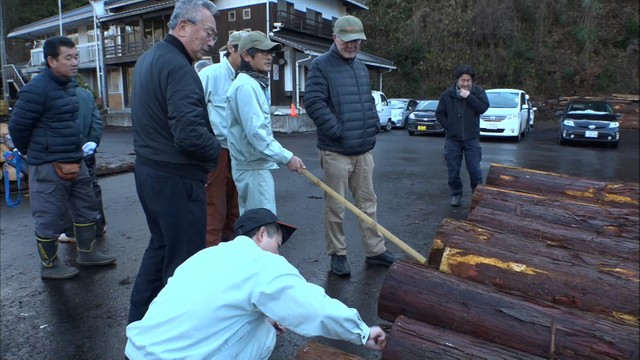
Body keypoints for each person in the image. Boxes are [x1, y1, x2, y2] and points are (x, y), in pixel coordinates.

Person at [125, 208, 387, 359]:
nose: (278, 254)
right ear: (262, 234)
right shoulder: (260, 263)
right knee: (264, 334)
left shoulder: (206, 256)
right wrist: (361, 333)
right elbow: (311, 307)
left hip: (137, 351)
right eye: (278, 245)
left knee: (263, 320)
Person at [128, 0, 221, 324]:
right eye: (208, 33)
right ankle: (176, 337)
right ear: (183, 27)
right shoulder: (178, 67)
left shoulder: (149, 59)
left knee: (160, 250)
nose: (212, 42)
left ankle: (139, 324)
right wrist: (217, 152)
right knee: (184, 265)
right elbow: (191, 135)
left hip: (149, 172)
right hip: (175, 179)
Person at [8, 36, 115, 280]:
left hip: (76, 160)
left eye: (76, 57)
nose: (75, 62)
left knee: (87, 208)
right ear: (51, 61)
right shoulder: (36, 90)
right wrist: (35, 154)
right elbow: (18, 128)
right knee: (48, 216)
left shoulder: (68, 86)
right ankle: (49, 265)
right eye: (68, 58)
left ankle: (86, 252)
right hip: (47, 165)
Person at [304, 15, 395, 277]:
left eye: (356, 40)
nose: (352, 45)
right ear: (335, 38)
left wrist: (373, 123)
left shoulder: (360, 67)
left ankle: (375, 250)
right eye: (347, 40)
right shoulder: (321, 66)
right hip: (335, 151)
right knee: (336, 206)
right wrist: (337, 131)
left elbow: (366, 100)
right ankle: (338, 254)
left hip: (363, 150)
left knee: (368, 203)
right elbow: (314, 102)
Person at [226, 31, 306, 215]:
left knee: (257, 223)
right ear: (246, 55)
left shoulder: (255, 83)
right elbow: (257, 134)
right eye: (263, 52)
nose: (269, 57)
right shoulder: (246, 86)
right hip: (252, 168)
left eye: (271, 52)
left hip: (254, 165)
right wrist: (287, 157)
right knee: (262, 225)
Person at [198, 30, 248, 247]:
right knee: (215, 203)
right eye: (244, 52)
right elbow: (194, 110)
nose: (247, 57)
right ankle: (211, 253)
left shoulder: (248, 77)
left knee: (238, 203)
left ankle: (233, 249)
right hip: (216, 149)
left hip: (241, 150)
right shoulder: (210, 74)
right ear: (231, 49)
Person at [435, 64, 489, 207]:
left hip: (472, 139)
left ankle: (477, 196)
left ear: (472, 81)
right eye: (463, 80)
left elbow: (483, 108)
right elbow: (439, 114)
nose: (466, 83)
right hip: (453, 140)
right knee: (453, 171)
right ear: (457, 80)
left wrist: (469, 97)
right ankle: (456, 194)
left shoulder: (478, 92)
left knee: (475, 170)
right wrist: (450, 127)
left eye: (468, 81)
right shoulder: (448, 95)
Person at [58, 85, 107, 243]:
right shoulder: (86, 94)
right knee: (92, 187)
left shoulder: (54, 93)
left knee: (70, 191)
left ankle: (73, 232)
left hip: (64, 153)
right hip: (87, 151)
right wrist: (92, 142)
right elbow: (97, 122)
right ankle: (99, 226)